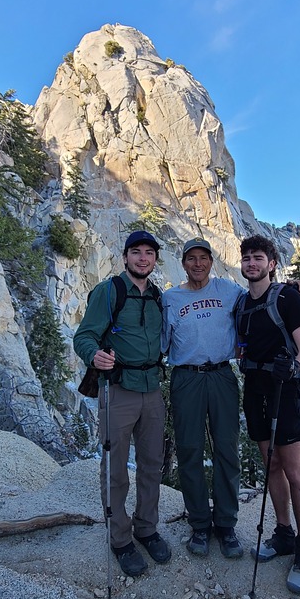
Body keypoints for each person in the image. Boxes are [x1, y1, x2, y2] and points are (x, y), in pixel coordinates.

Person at [73, 230, 171, 578]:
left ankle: (146, 528)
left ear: (155, 259)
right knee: (115, 467)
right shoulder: (109, 291)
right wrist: (93, 355)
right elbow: (84, 335)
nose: (143, 258)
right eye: (136, 252)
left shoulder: (158, 297)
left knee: (151, 463)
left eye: (149, 253)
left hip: (152, 389)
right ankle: (120, 539)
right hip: (118, 389)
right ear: (125, 256)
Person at [238, 234, 300, 594]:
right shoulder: (242, 304)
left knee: (294, 469)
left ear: (272, 263)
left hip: (286, 390)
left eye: (259, 258)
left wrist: (294, 369)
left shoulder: (287, 297)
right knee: (270, 464)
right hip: (255, 391)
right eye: (247, 258)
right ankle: (283, 532)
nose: (252, 263)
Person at [162, 237, 244, 559]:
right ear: (183, 263)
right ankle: (199, 523)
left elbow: (259, 296)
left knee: (227, 449)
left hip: (222, 374)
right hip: (186, 377)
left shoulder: (229, 291)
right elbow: (161, 343)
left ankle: (226, 524)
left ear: (212, 261)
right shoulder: (171, 298)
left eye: (203, 258)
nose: (198, 264)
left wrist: (292, 286)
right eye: (191, 259)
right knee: (189, 450)